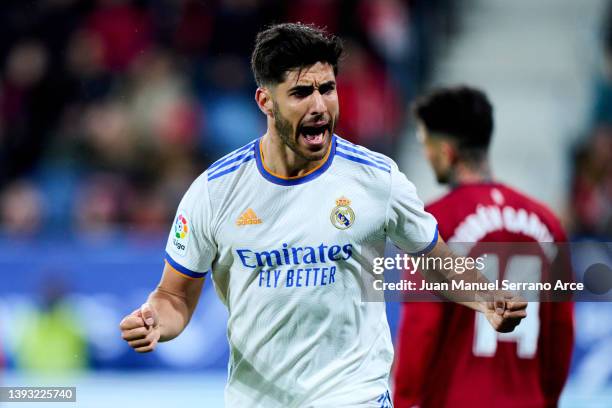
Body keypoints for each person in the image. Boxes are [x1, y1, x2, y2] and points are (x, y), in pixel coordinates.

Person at [119, 24, 526, 407]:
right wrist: (156, 320)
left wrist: (486, 299)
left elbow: (434, 260)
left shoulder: (376, 179)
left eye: (327, 89)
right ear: (265, 101)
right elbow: (174, 295)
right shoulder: (215, 191)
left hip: (355, 395)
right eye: (300, 93)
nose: (319, 106)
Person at [393, 86, 574, 408]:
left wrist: (405, 400)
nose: (425, 154)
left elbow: (422, 325)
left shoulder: (433, 225)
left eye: (425, 144)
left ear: (447, 152)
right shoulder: (547, 223)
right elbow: (560, 331)